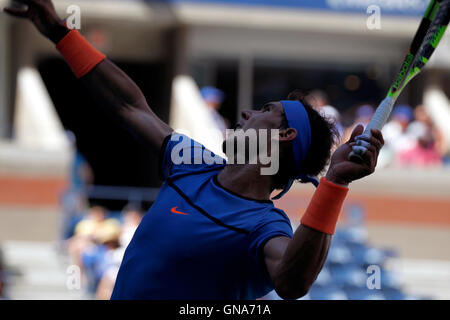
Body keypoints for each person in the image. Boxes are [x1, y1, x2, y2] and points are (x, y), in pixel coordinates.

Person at [4, 0, 384, 300]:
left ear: (284, 136)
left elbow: (291, 283)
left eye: (266, 110)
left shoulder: (264, 226)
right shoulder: (193, 162)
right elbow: (128, 105)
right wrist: (59, 32)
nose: (247, 113)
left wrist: (335, 182)